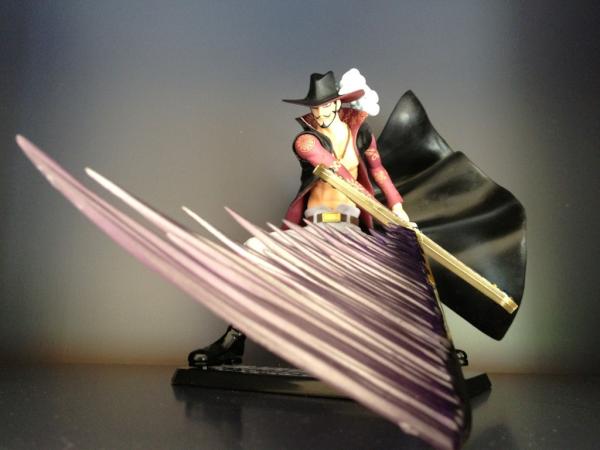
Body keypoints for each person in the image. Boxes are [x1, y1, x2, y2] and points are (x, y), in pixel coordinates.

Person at [188, 70, 411, 367]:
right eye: (314, 108)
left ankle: (411, 351)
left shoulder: (362, 134)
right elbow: (333, 170)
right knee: (254, 250)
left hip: (350, 231)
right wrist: (372, 202)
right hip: (315, 231)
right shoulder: (307, 140)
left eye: (325, 106)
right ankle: (233, 340)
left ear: (336, 104)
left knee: (396, 270)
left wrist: (396, 206)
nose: (319, 113)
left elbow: (378, 169)